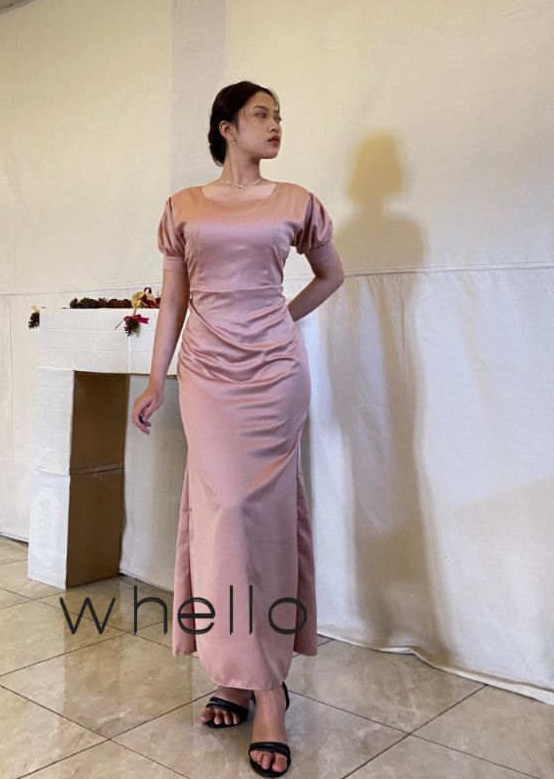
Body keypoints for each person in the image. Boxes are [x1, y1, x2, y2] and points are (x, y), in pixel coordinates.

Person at [133, 81, 345, 776]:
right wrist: (156, 378)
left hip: (274, 375)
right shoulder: (183, 207)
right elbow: (174, 300)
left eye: (279, 115)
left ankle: (267, 688)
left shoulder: (297, 201)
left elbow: (330, 276)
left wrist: (280, 318)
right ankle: (233, 670)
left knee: (265, 515)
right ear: (226, 127)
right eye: (262, 114)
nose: (276, 124)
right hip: (208, 375)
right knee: (222, 514)